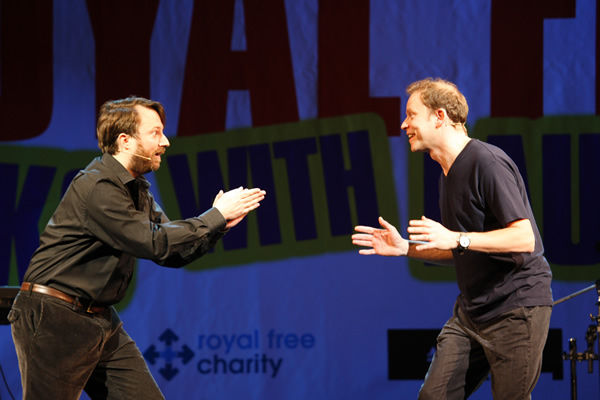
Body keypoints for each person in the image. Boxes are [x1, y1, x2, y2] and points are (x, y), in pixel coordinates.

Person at [8, 96, 266, 399]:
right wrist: (214, 216)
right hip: (55, 315)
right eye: (155, 132)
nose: (166, 141)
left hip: (99, 318)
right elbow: (154, 242)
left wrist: (218, 226)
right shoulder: (98, 186)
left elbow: (172, 252)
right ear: (125, 140)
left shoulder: (136, 189)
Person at [352, 78, 553, 399]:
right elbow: (462, 247)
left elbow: (524, 237)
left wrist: (458, 239)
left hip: (515, 309)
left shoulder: (486, 162)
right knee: (434, 396)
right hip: (472, 313)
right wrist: (405, 247)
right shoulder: (447, 172)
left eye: (411, 114)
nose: (404, 124)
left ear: (440, 116)